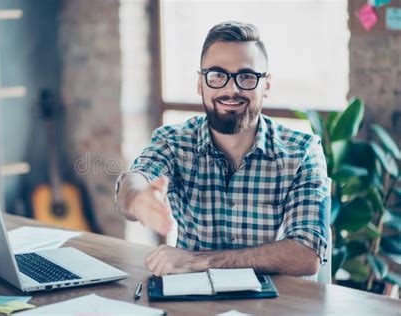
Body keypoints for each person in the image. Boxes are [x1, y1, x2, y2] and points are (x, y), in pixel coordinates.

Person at [115, 21, 330, 278]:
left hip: (274, 302)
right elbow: (134, 182)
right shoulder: (173, 141)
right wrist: (138, 199)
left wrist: (198, 261)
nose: (232, 89)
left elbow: (306, 254)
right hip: (192, 298)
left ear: (267, 85)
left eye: (247, 76)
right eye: (217, 75)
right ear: (200, 84)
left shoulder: (303, 152)